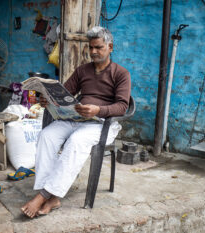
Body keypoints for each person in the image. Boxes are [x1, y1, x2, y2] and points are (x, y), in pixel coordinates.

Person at [21, 26, 131, 218]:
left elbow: (122, 106)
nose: (94, 52)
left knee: (76, 141)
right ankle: (51, 197)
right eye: (91, 48)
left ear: (110, 47)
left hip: (102, 124)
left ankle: (44, 195)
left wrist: (99, 110)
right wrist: (48, 98)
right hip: (77, 118)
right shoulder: (83, 70)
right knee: (47, 135)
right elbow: (66, 91)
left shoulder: (121, 73)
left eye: (98, 47)